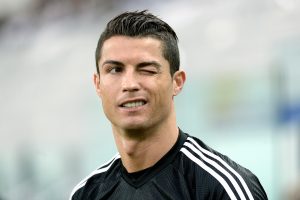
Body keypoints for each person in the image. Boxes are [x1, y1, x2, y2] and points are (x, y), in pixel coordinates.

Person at [69, 10, 268, 200]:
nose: (129, 84)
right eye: (114, 70)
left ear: (177, 82)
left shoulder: (222, 188)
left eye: (147, 70)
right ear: (97, 84)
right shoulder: (86, 193)